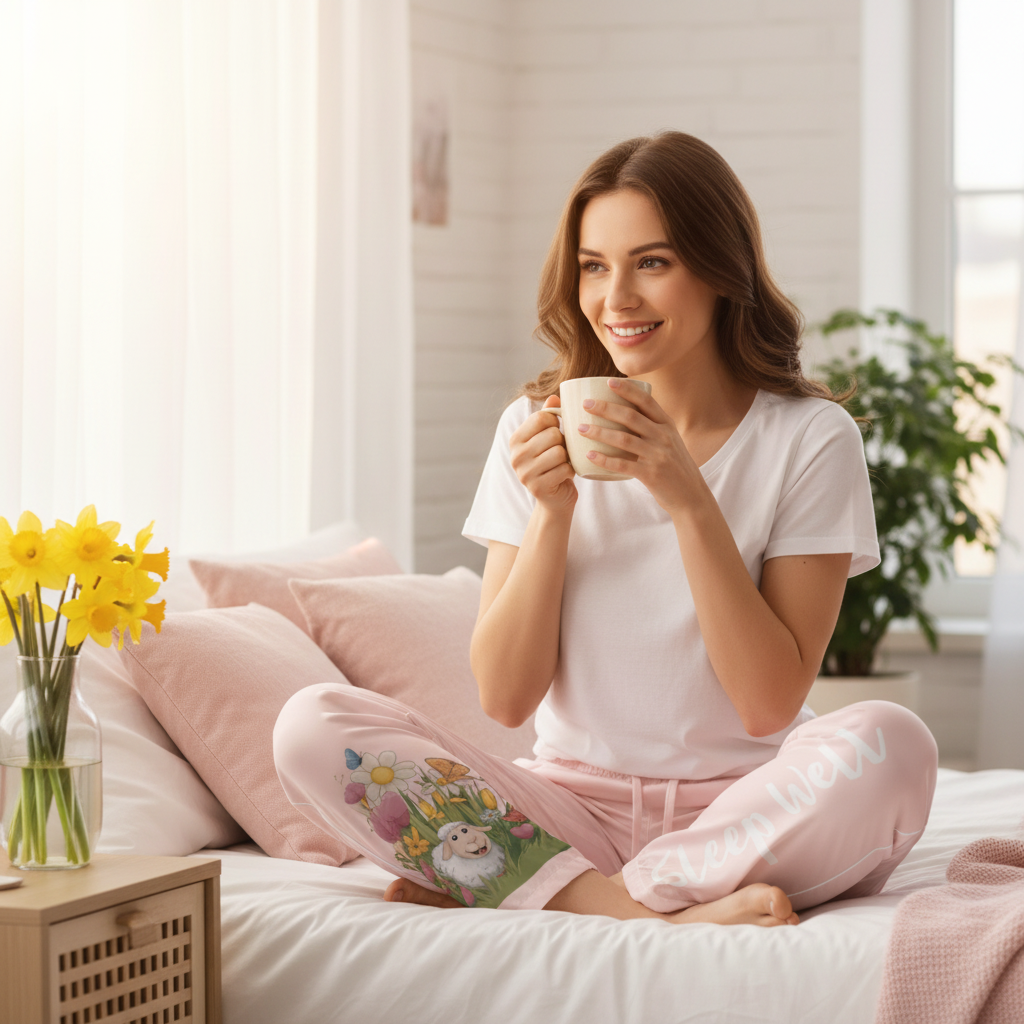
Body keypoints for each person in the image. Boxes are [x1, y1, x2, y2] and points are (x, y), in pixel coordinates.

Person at [274, 132, 938, 927]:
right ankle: (640, 905)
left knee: (893, 746)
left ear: (721, 268)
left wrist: (688, 499)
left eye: (651, 263)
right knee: (310, 726)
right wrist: (553, 512)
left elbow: (768, 705)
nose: (615, 297)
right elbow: (506, 696)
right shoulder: (532, 426)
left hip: (742, 814)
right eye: (594, 266)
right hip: (564, 807)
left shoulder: (810, 438)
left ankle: (544, 885)